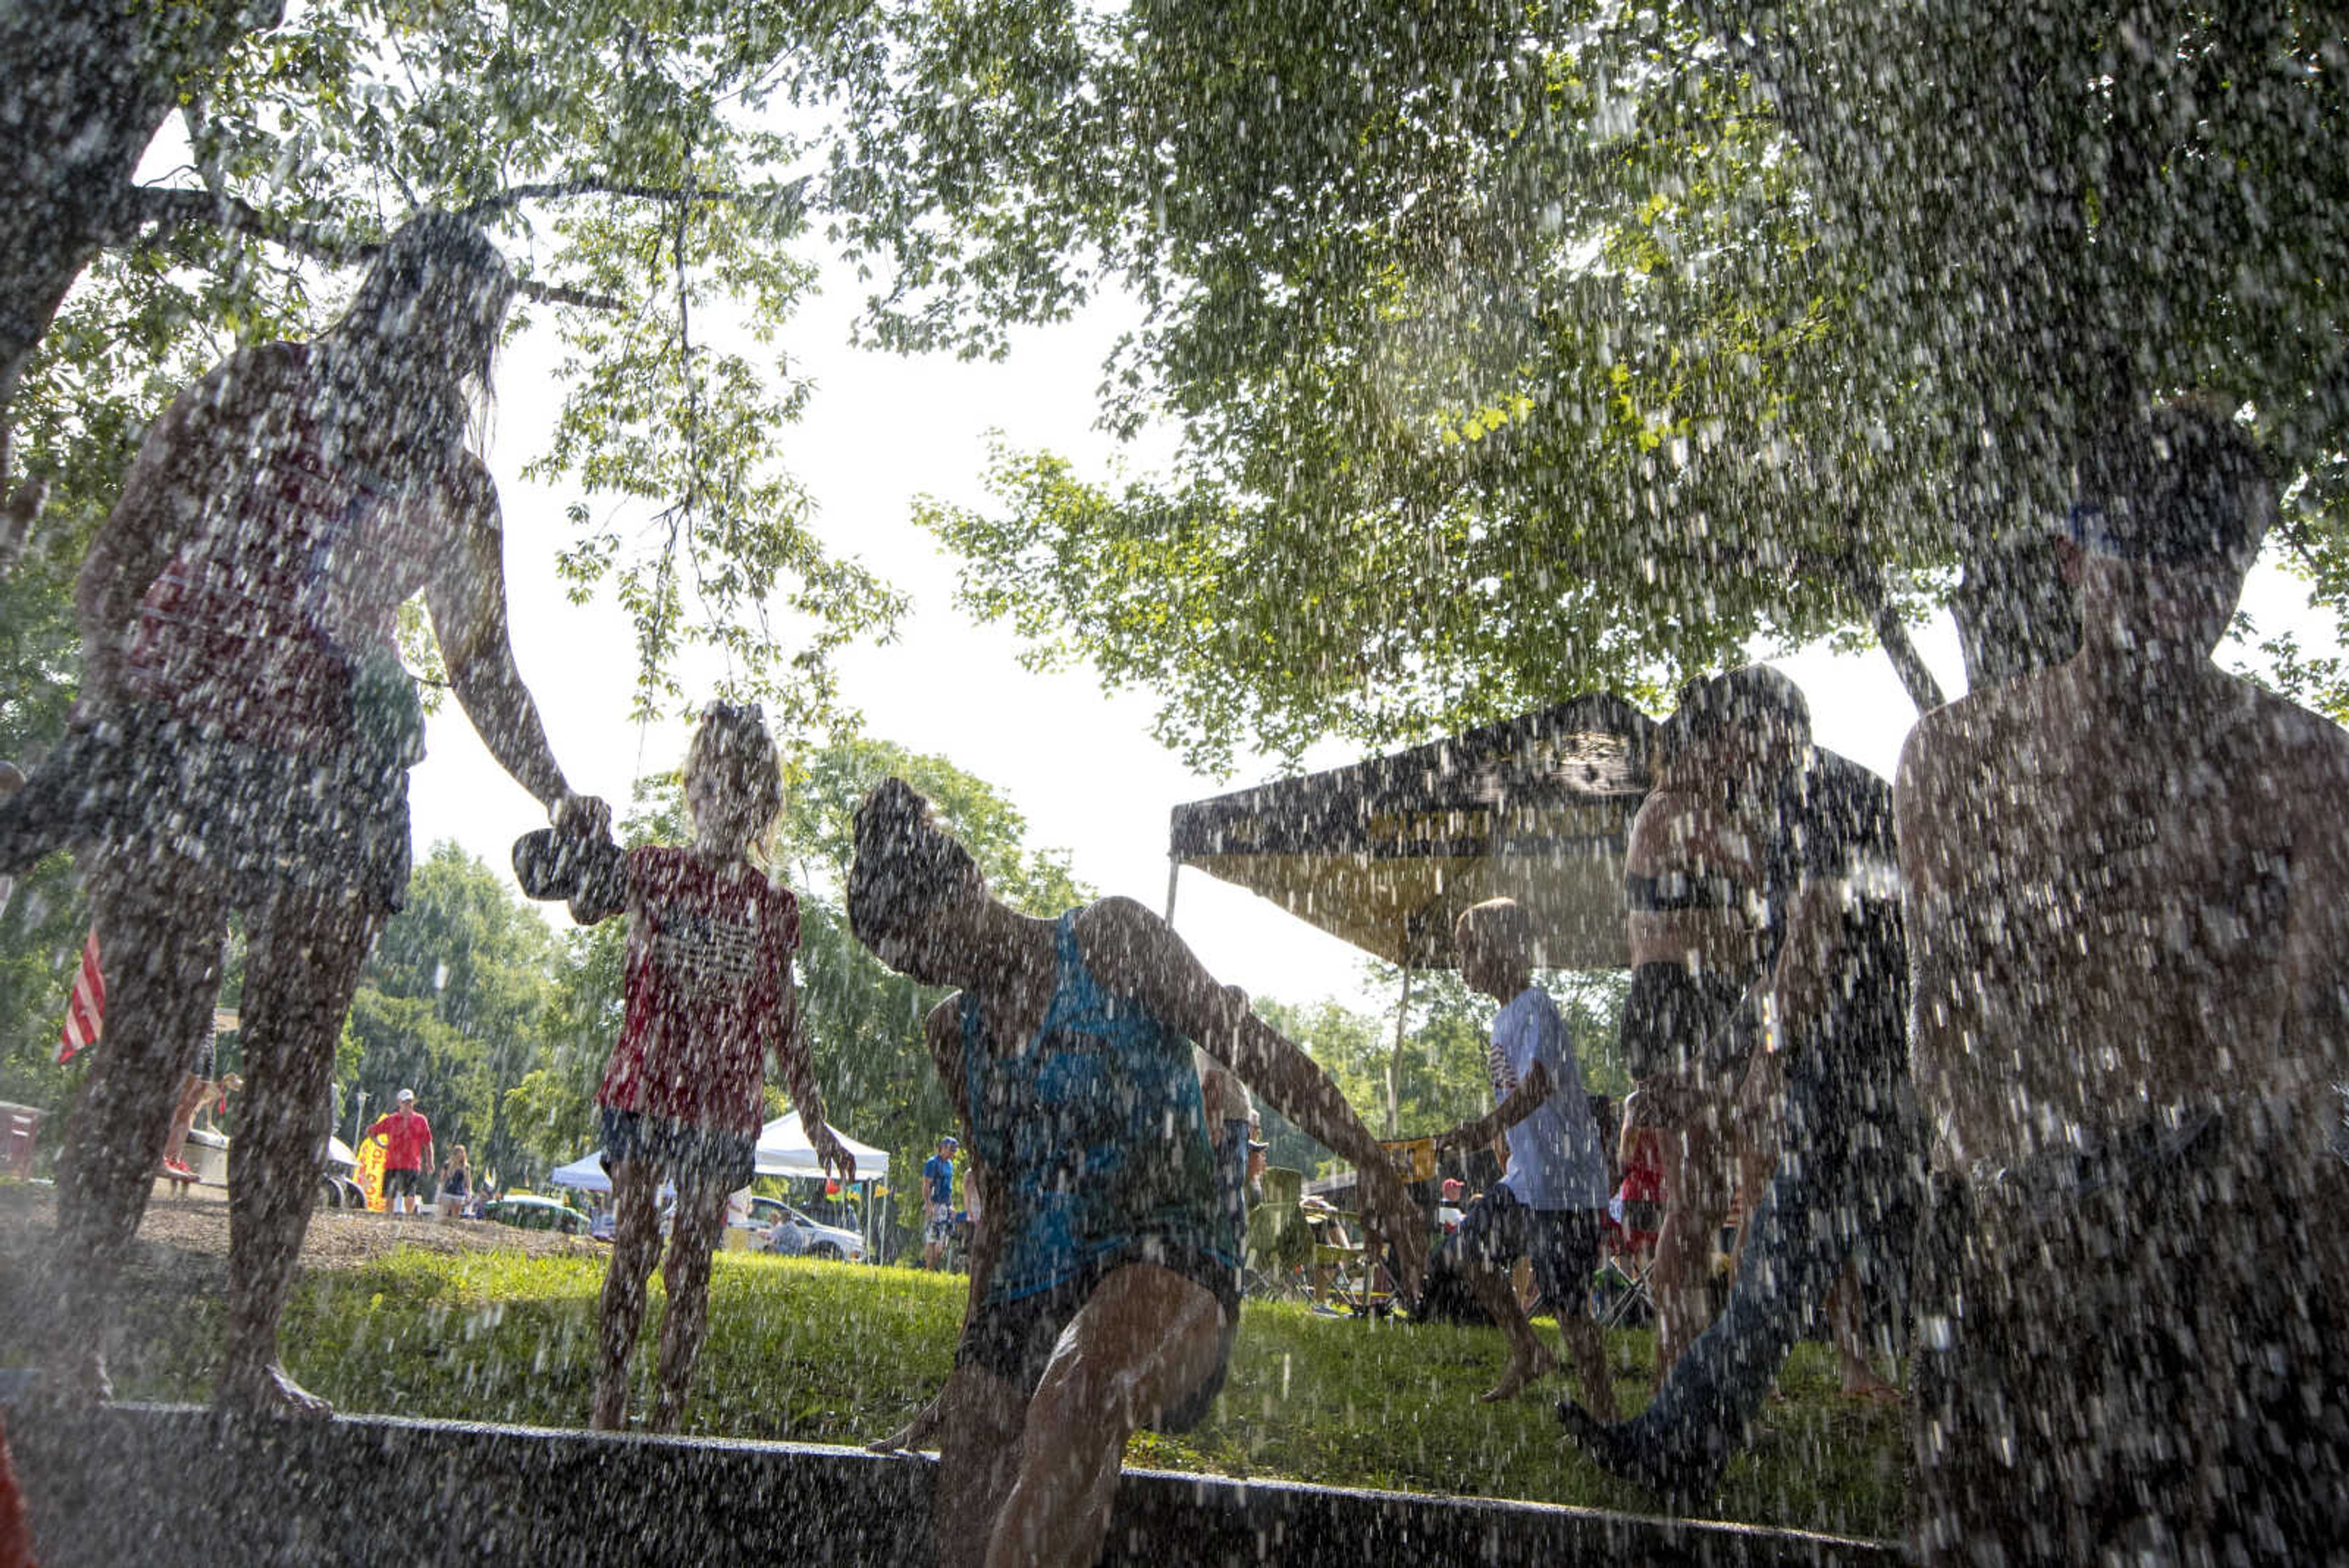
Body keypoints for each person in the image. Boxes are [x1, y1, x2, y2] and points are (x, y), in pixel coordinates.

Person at [2, 210, 610, 1417]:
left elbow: (483, 666)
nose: (447, 344)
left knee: (295, 1066)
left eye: (469, 330)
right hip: (181, 729)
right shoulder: (267, 386)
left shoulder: (456, 484)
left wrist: (557, 788)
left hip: (335, 763)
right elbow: (124, 548)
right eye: (434, 311)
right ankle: (69, 1346)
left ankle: (249, 1360)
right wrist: (117, 711)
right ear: (392, 296)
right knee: (152, 1039)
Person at [1895, 403, 2349, 1564]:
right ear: (2072, 559)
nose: (2170, 600)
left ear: (2241, 575)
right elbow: (1947, 1014)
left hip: (2237, 1217)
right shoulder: (1961, 758)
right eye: (2141, 563)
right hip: (2031, 1198)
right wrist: (2000, 1198)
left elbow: (2319, 1028)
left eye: (2208, 570)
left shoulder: (2300, 765)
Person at [848, 777, 1425, 1568]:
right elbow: (1005, 1202)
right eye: (903, 964)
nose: (925, 971)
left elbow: (1254, 1047)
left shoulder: (1108, 940)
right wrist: (971, 1364)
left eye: (925, 945)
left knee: (1079, 1389)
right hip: (1033, 1283)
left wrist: (1374, 1165)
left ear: (969, 888)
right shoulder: (954, 1029)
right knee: (979, 1450)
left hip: (1165, 1255)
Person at [1560, 715, 1918, 1502]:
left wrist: (1771, 1060)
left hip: (1870, 1070)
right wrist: (1706, 1068)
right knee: (1777, 1274)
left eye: (1725, 743)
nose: (1718, 764)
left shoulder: (1814, 797)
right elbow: (1771, 979)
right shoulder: (1781, 808)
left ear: (1760, 735)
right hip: (1862, 1070)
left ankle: (1677, 1439)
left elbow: (1817, 934)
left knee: (1786, 1272)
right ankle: (1677, 1439)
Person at [557, 702, 852, 1434]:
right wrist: (580, 836)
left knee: (692, 1258)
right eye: (711, 787)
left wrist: (816, 1125)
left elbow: (785, 1021)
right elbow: (582, 903)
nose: (723, 804)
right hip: (645, 1085)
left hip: (721, 1105)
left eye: (741, 792)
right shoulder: (651, 871)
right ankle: (611, 1398)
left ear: (763, 807)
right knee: (632, 1243)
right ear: (690, 791)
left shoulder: (772, 908)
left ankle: (670, 1409)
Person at [1614, 669, 1800, 1377]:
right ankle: (1672, 1368)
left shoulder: (1718, 810)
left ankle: (1701, 1365)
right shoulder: (1669, 810)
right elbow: (1761, 870)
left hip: (1716, 1005)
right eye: (1730, 747)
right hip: (1672, 1005)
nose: (1741, 761)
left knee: (1712, 1190)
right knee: (1692, 1198)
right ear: (1703, 745)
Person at [1427, 899, 1616, 1410]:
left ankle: (1605, 1412)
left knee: (1570, 1306)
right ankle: (1528, 1349)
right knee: (1467, 1252)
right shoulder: (1503, 1019)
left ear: (1504, 949)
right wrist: (1496, 1140)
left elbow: (1536, 1085)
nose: (1461, 963)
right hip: (1526, 1180)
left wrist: (1485, 1126)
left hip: (1564, 1184)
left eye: (1468, 951)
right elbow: (1515, 1098)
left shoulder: (1537, 1006)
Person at [364, 1089, 434, 1217]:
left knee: (410, 1195)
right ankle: (388, 1219)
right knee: (389, 1196)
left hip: (412, 1164)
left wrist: (430, 1162)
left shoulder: (421, 1120)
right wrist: (380, 1144)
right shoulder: (391, 1120)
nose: (408, 1105)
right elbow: (371, 1131)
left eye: (410, 1102)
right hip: (392, 1164)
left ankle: (409, 1220)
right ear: (399, 1103)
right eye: (405, 1102)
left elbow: (428, 1142)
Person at [923, 1135, 960, 1271]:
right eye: (951, 1150)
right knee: (931, 1239)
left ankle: (931, 1268)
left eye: (954, 1151)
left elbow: (949, 1187)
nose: (953, 1153)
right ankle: (929, 1270)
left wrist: (952, 1205)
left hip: (946, 1205)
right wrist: (928, 1205)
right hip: (934, 1204)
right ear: (943, 1148)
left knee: (942, 1243)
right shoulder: (932, 1162)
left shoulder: (950, 1165)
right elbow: (926, 1185)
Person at [436, 1145, 471, 1220]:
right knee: (443, 1214)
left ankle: (452, 1229)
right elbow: (442, 1180)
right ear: (454, 1154)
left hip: (459, 1194)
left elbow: (468, 1183)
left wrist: (468, 1196)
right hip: (447, 1192)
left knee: (455, 1216)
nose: (459, 1156)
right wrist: (439, 1194)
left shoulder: (466, 1167)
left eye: (461, 1154)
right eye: (458, 1154)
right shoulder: (447, 1165)